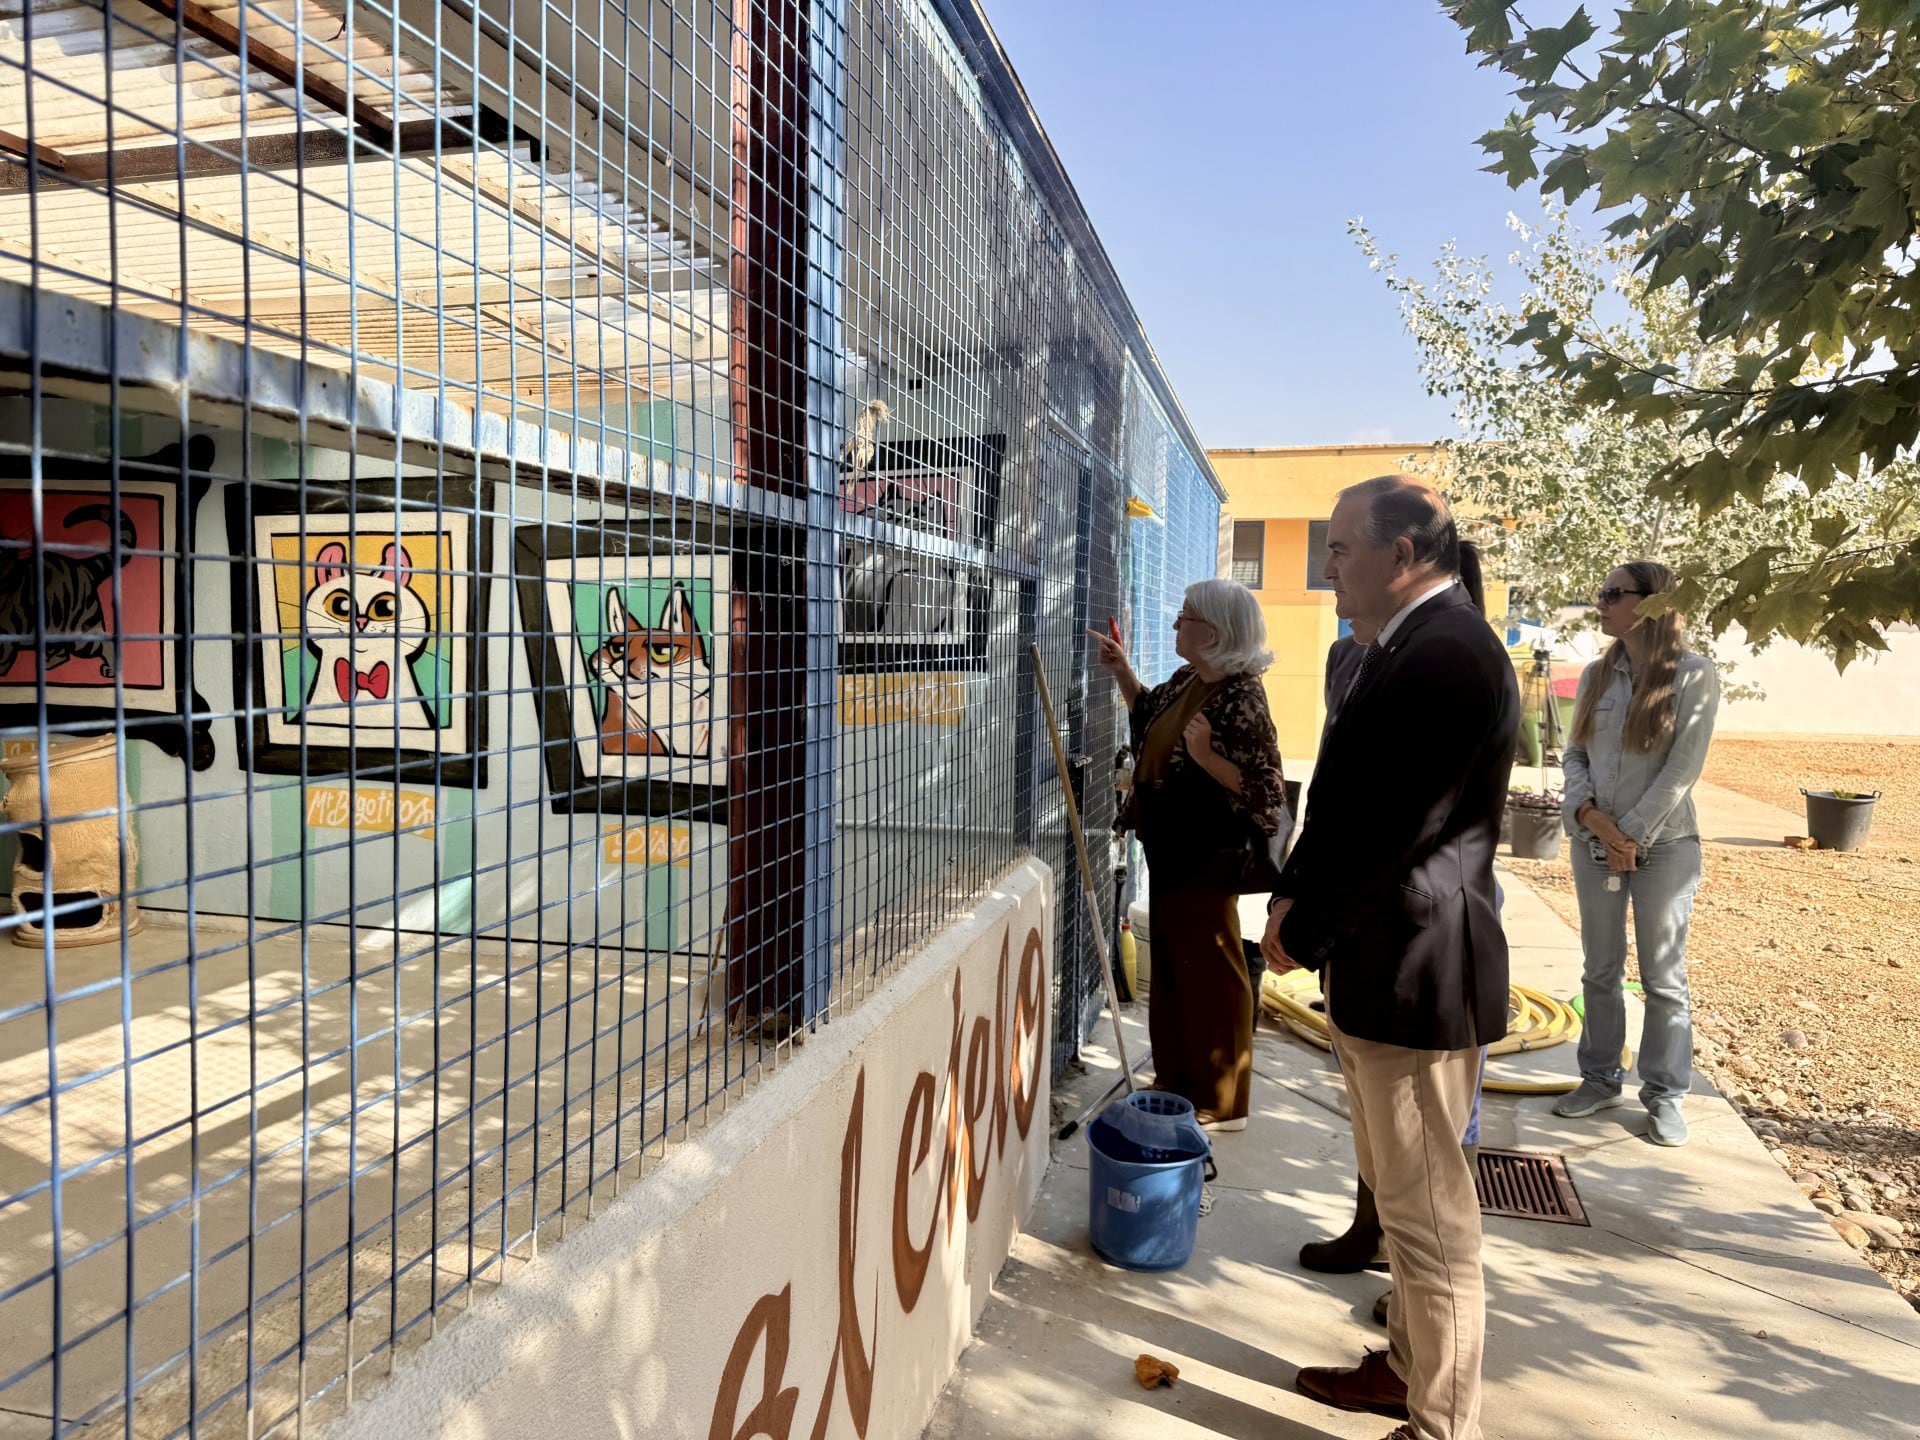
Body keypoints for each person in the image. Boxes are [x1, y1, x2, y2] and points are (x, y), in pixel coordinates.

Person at [1263, 478, 1517, 1440]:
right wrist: (1294, 893)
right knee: (1401, 1197)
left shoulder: (1447, 654)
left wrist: (1307, 929)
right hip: (1380, 966)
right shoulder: (1396, 647)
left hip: (1418, 972)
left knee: (1430, 1219)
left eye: (1337, 550)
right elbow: (1346, 797)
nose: (1326, 569)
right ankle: (1408, 1369)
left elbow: (1398, 838)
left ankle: (1443, 1421)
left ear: (1402, 554)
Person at [1090, 579, 1287, 1131]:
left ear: (1216, 632)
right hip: (1172, 847)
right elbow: (1147, 714)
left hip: (1208, 855)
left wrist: (1205, 758)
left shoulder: (1241, 697)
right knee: (1175, 974)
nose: (1177, 624)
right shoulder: (1190, 680)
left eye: (1186, 617)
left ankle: (1223, 1102)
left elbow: (1266, 791)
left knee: (1213, 974)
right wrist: (1122, 670)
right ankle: (1175, 1081)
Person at [1553, 561, 1719, 1147]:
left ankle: (1666, 1093)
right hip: (1595, 842)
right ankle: (1598, 1079)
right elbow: (1573, 756)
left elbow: (1683, 769)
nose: (1600, 602)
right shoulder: (1599, 674)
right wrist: (1594, 820)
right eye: (1602, 592)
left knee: (1663, 976)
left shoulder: (1693, 676)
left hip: (1666, 850)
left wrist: (1632, 835)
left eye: (1612, 593)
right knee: (1600, 969)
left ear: (1651, 604)